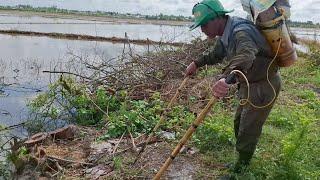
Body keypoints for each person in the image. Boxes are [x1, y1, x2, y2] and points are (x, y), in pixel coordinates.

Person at [186, 0, 282, 173]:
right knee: (239, 122)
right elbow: (216, 53)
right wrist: (196, 63)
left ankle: (240, 171)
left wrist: (227, 79)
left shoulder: (240, 31)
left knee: (248, 128)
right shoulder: (226, 32)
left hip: (263, 85)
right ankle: (242, 160)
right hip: (248, 83)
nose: (202, 29)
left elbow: (246, 55)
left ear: (217, 18)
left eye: (205, 24)